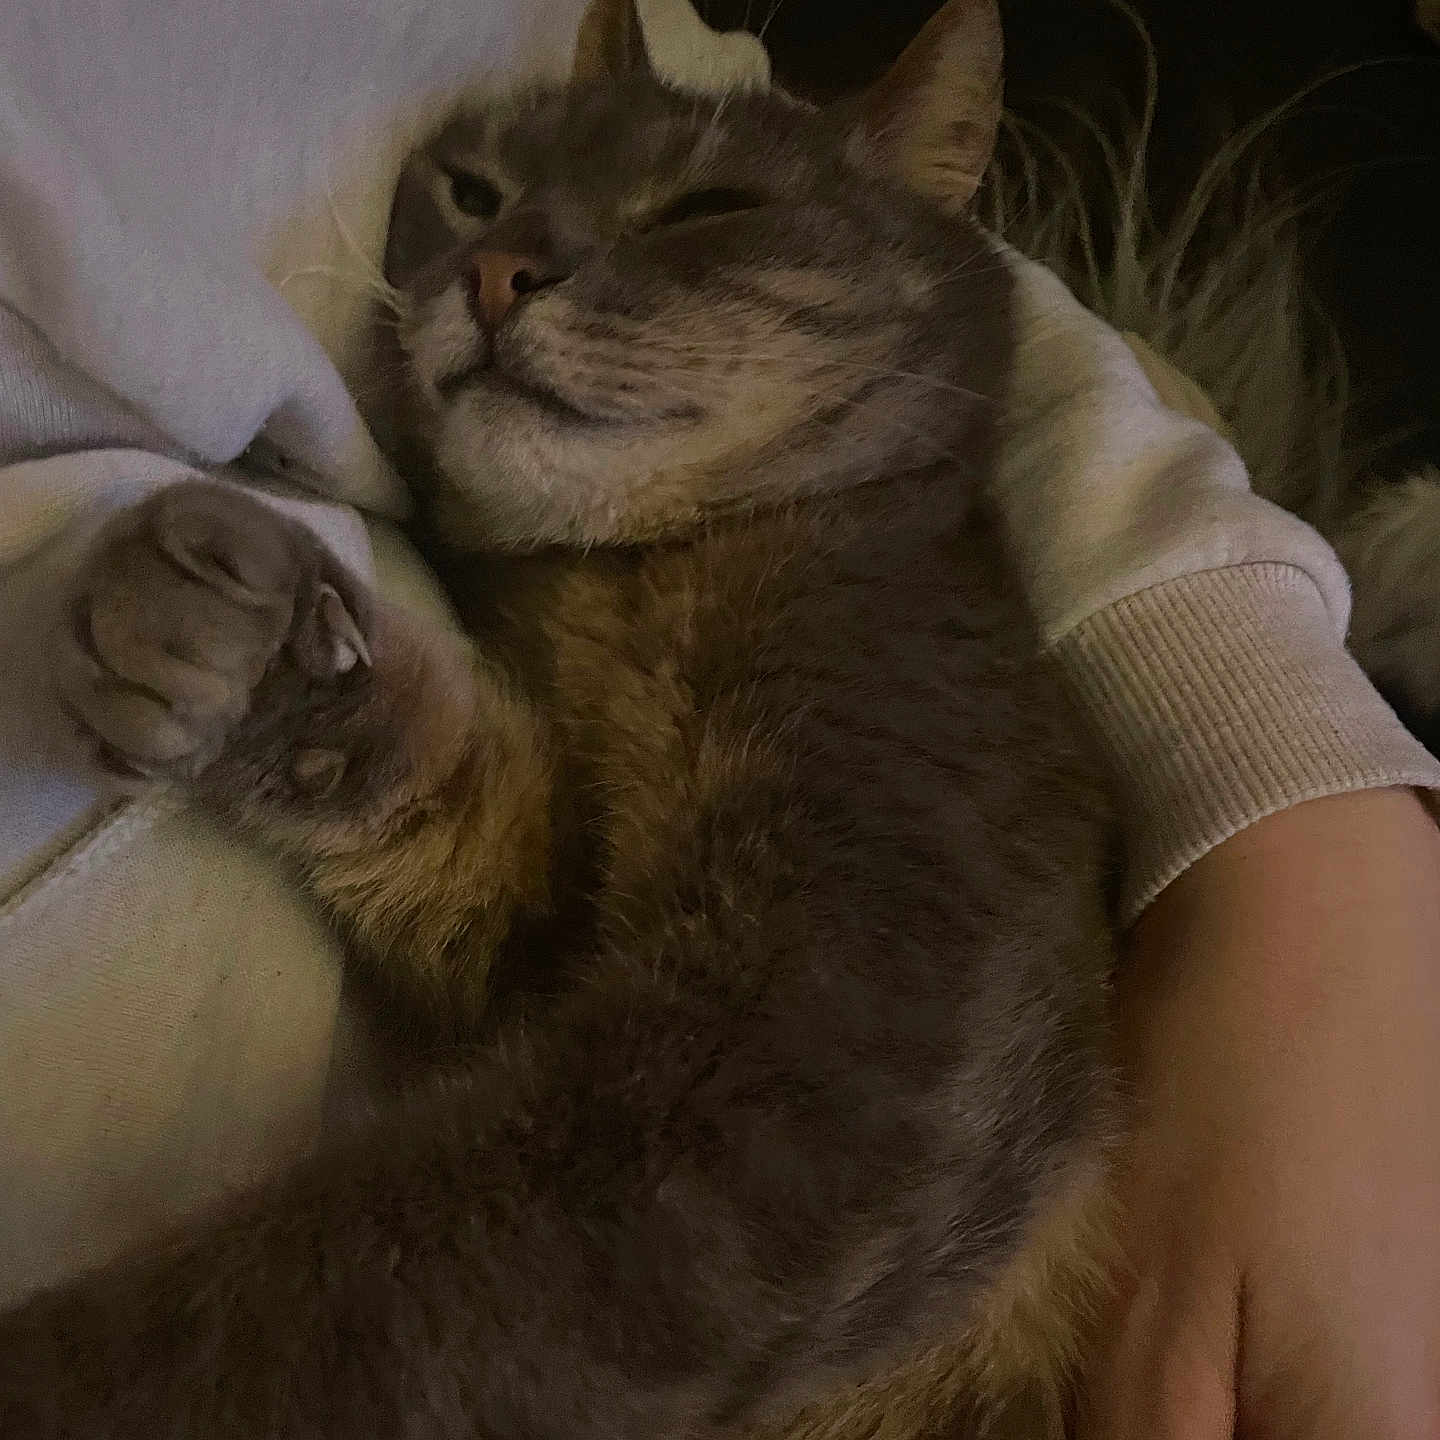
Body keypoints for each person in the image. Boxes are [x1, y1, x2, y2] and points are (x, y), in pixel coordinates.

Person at [0, 0, 1434, 1432]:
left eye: (704, 218)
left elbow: (809, 1131)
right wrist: (352, 745)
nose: (507, 272)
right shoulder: (630, 595)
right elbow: (560, 949)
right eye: (475, 205)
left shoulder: (873, 591)